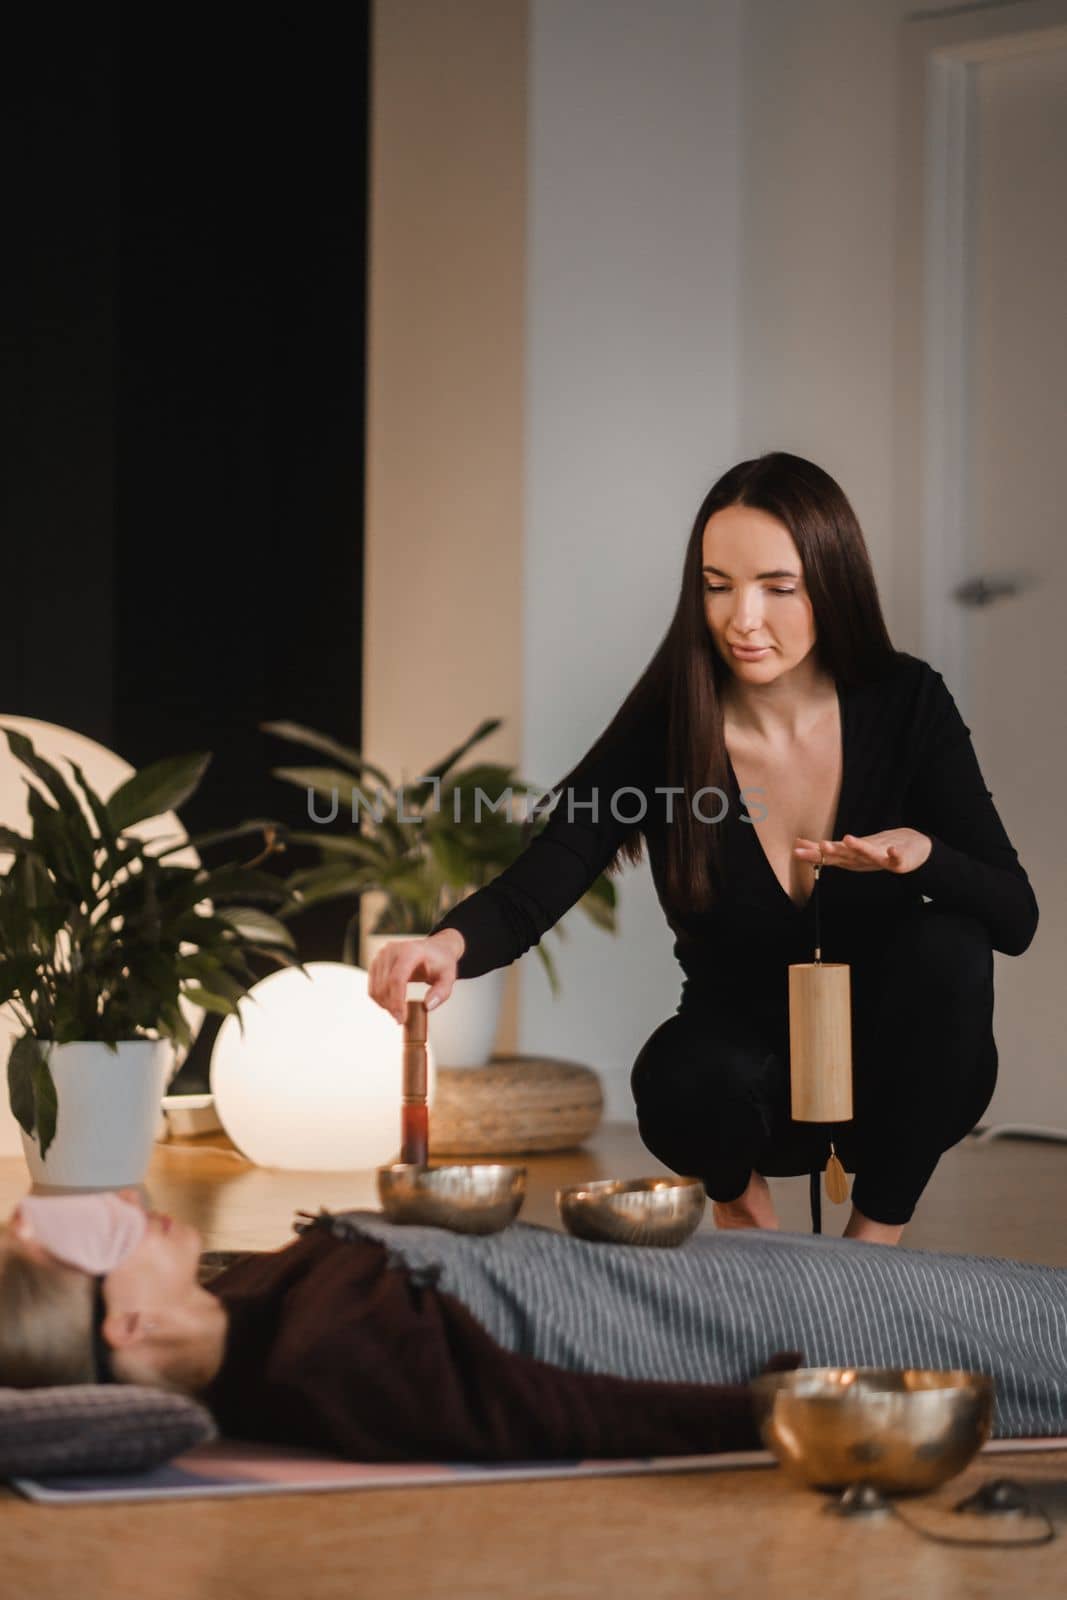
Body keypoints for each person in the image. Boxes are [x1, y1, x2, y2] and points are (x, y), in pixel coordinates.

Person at [368, 452, 1039, 1247]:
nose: (742, 618)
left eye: (777, 588)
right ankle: (741, 1210)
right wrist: (447, 944)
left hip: (893, 1080)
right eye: (717, 586)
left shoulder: (906, 701)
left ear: (833, 580)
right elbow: (554, 863)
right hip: (744, 1084)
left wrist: (921, 853)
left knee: (951, 941)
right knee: (681, 1074)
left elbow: (1013, 916)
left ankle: (873, 1244)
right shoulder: (670, 719)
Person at [1, 1191, 1064, 1463]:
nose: (126, 1205)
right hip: (744, 1330)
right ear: (127, 1321)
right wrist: (787, 1405)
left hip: (705, 1272)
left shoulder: (255, 1299)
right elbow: (556, 1413)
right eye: (95, 1237)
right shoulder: (329, 1357)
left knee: (1006, 1287)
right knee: (1034, 1331)